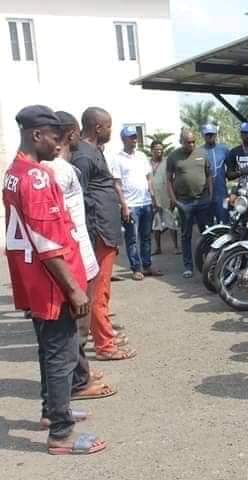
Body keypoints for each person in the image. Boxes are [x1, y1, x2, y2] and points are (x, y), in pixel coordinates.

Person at [4, 105, 106, 455]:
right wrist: (74, 288)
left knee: (49, 350)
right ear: (37, 135)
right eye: (54, 138)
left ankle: (53, 411)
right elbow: (48, 244)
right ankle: (61, 434)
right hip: (51, 281)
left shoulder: (13, 172)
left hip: (32, 278)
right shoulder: (36, 176)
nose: (58, 145)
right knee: (62, 355)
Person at [42, 111, 117, 404]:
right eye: (108, 125)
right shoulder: (65, 167)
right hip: (81, 248)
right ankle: (77, 380)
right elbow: (78, 209)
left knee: (81, 317)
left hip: (85, 246)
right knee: (79, 318)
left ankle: (81, 373)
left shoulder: (71, 163)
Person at [72, 107, 136, 361]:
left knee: (103, 291)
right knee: (98, 291)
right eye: (109, 125)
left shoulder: (94, 151)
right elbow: (80, 199)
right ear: (97, 127)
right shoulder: (83, 157)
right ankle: (105, 345)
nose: (111, 130)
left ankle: (104, 332)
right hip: (98, 234)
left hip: (106, 232)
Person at [114, 127, 161, 280]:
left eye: (135, 136)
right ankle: (136, 268)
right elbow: (117, 184)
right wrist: (124, 206)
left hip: (146, 202)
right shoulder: (117, 158)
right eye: (131, 137)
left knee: (146, 236)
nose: (134, 139)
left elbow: (148, 179)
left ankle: (147, 266)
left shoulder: (141, 156)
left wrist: (153, 199)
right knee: (132, 238)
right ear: (123, 139)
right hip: (131, 205)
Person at [167, 128, 213, 278]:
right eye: (188, 142)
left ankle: (208, 264)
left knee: (207, 234)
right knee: (186, 235)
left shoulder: (202, 154)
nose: (191, 145)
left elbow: (209, 175)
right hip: (184, 202)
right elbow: (169, 179)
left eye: (193, 142)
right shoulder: (174, 157)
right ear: (181, 142)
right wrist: (174, 200)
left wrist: (210, 195)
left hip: (203, 200)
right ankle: (188, 266)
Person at [149, 140, 180, 255]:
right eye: (156, 149)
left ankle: (176, 247)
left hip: (166, 196)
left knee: (171, 222)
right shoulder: (147, 164)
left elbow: (173, 179)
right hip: (153, 197)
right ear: (152, 150)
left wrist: (173, 198)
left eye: (161, 149)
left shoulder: (167, 162)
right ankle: (158, 248)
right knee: (156, 225)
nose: (159, 151)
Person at [201, 123, 230, 224]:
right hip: (205, 194)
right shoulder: (199, 151)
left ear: (216, 134)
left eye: (212, 134)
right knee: (207, 224)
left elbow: (231, 169)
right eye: (207, 134)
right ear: (203, 135)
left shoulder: (224, 149)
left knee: (224, 222)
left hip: (221, 192)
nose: (209, 136)